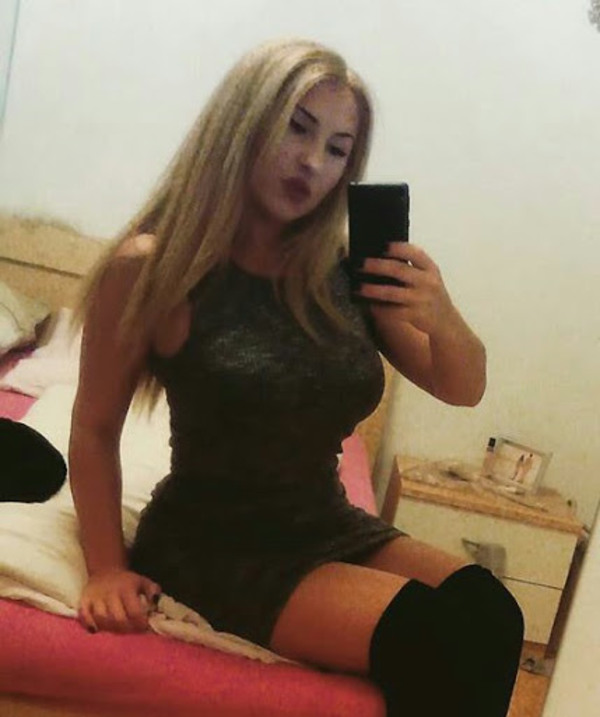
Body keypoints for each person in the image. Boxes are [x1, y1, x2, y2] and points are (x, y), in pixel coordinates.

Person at [69, 38, 523, 717]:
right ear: (243, 122)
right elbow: (94, 427)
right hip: (216, 540)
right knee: (434, 636)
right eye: (297, 128)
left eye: (338, 149)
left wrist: (443, 315)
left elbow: (462, 387)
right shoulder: (156, 268)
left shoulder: (340, 271)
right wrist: (107, 567)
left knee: (493, 610)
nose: (313, 163)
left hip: (323, 520)